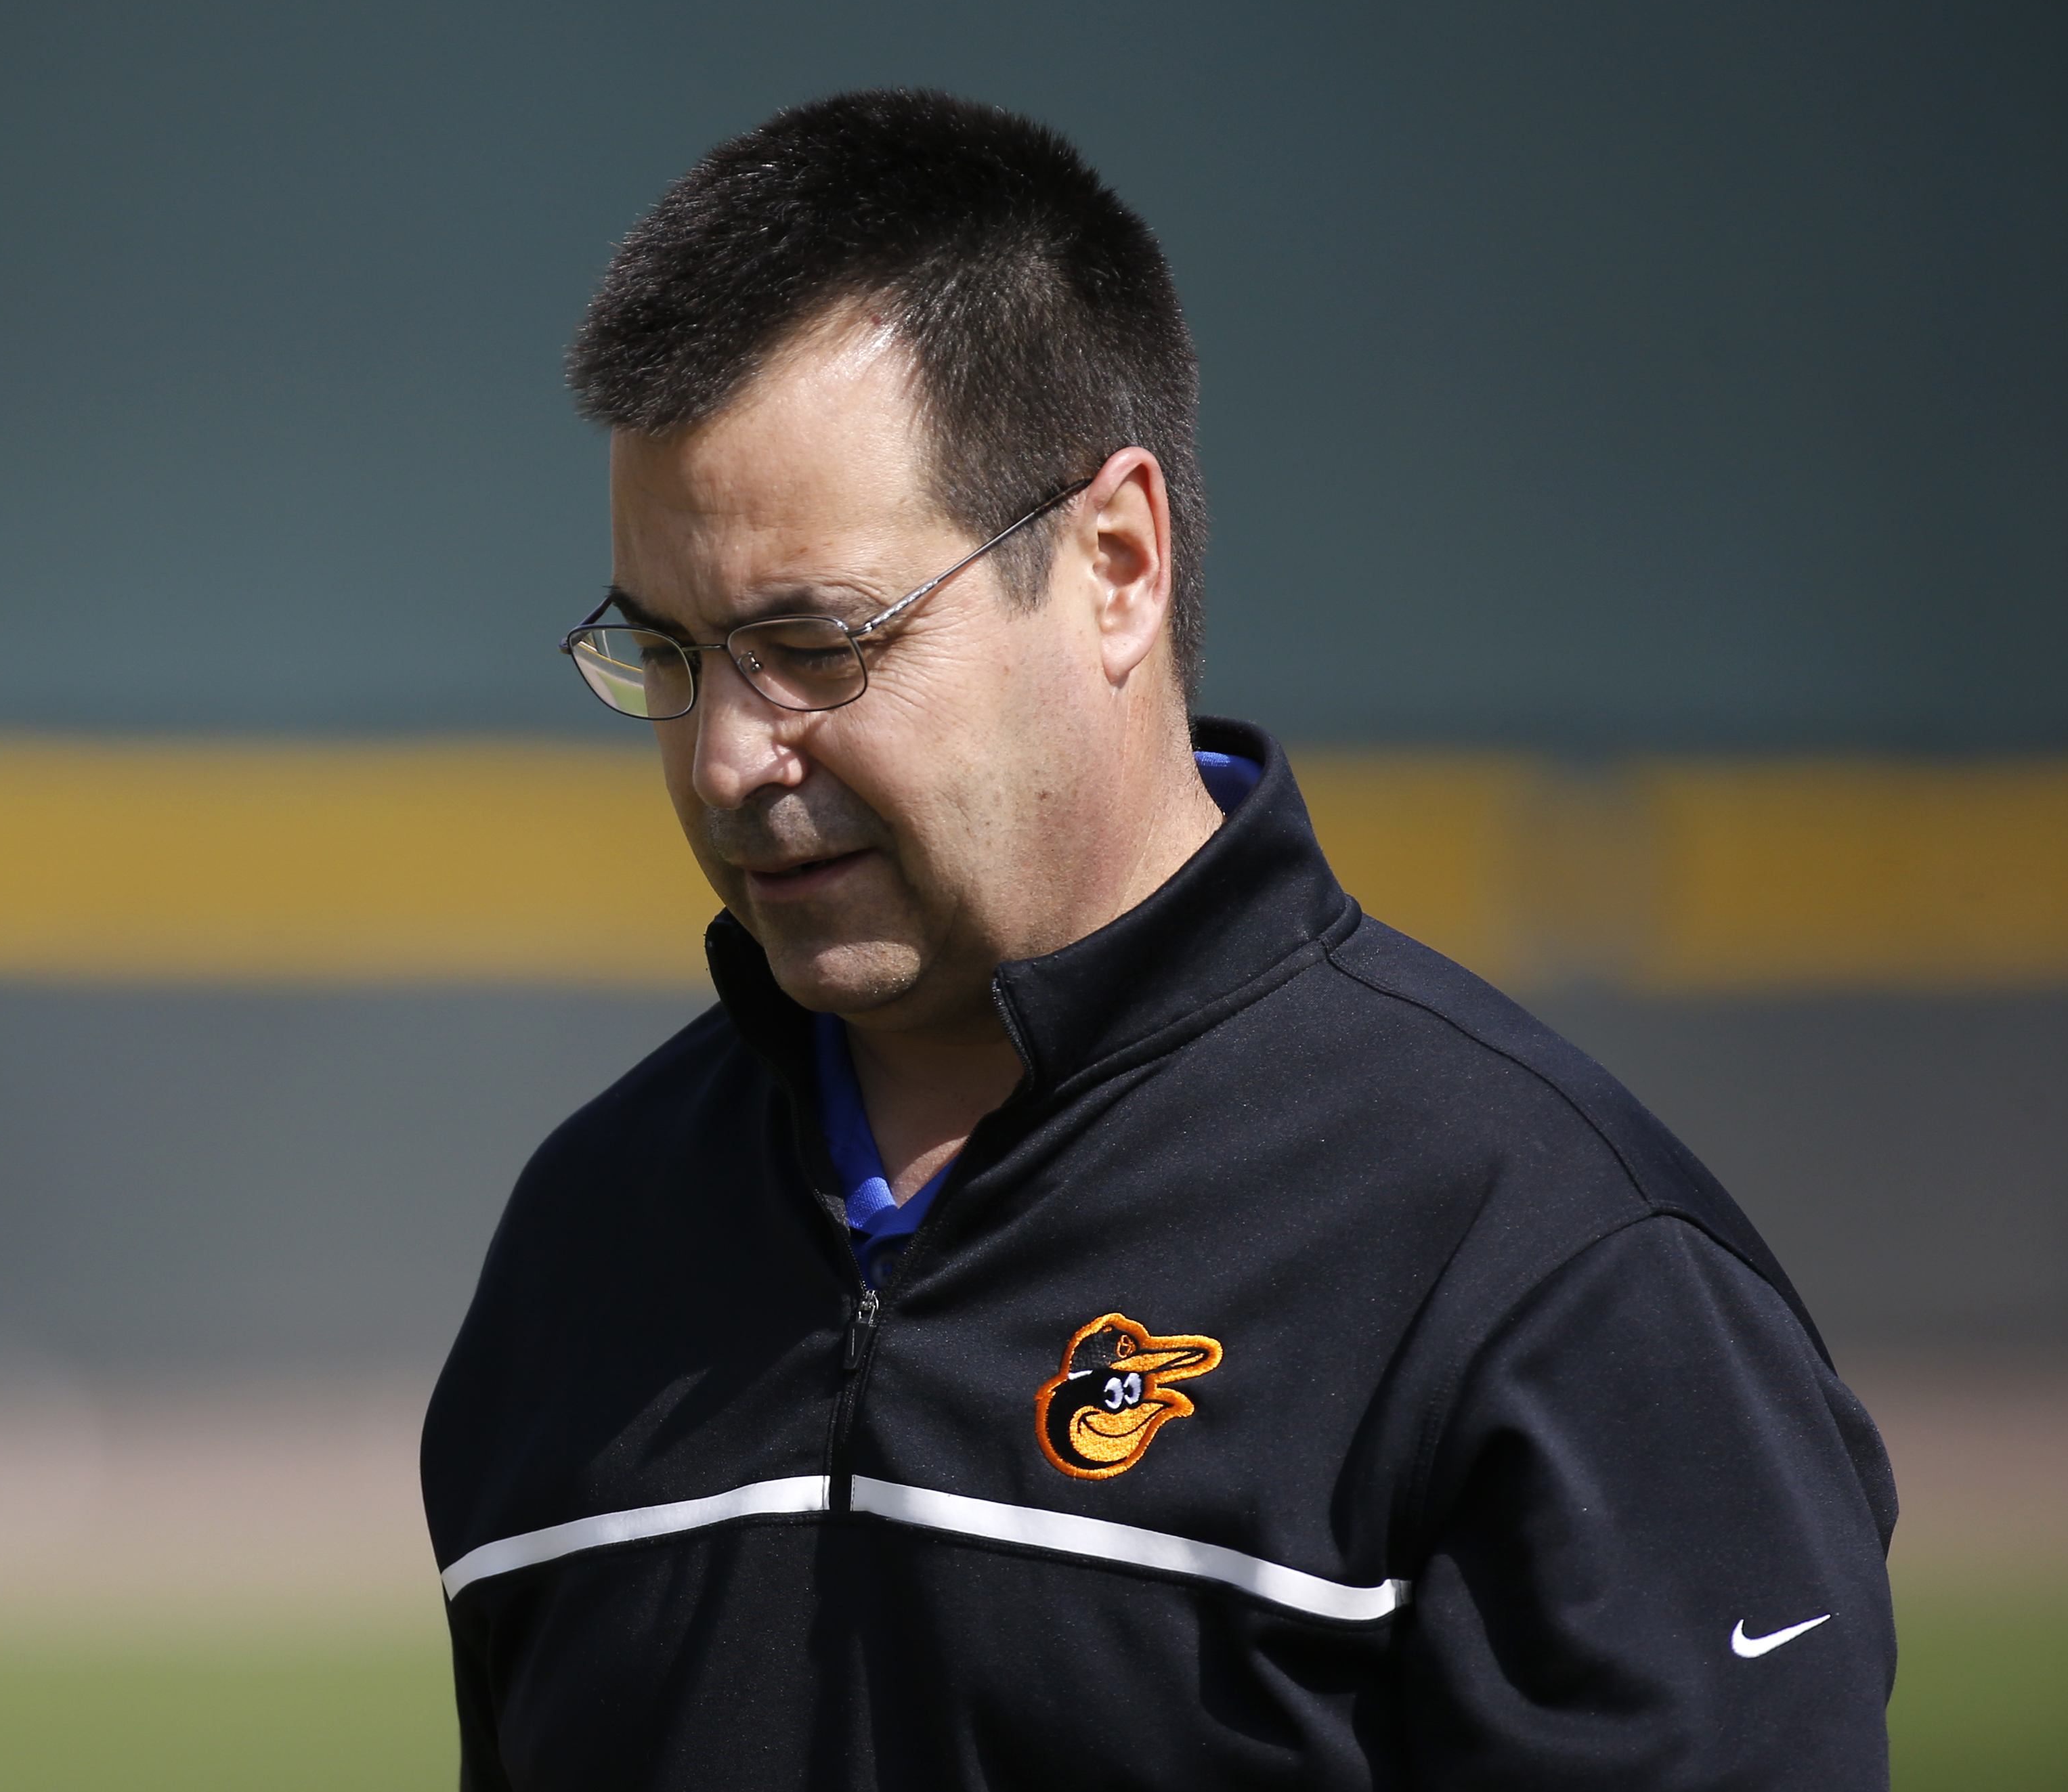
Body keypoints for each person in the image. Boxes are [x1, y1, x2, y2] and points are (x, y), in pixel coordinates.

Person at [419, 89, 1894, 1790]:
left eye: (812, 641)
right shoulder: (584, 1245)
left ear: (1113, 562)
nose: (731, 754)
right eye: (664, 653)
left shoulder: (1553, 1270)